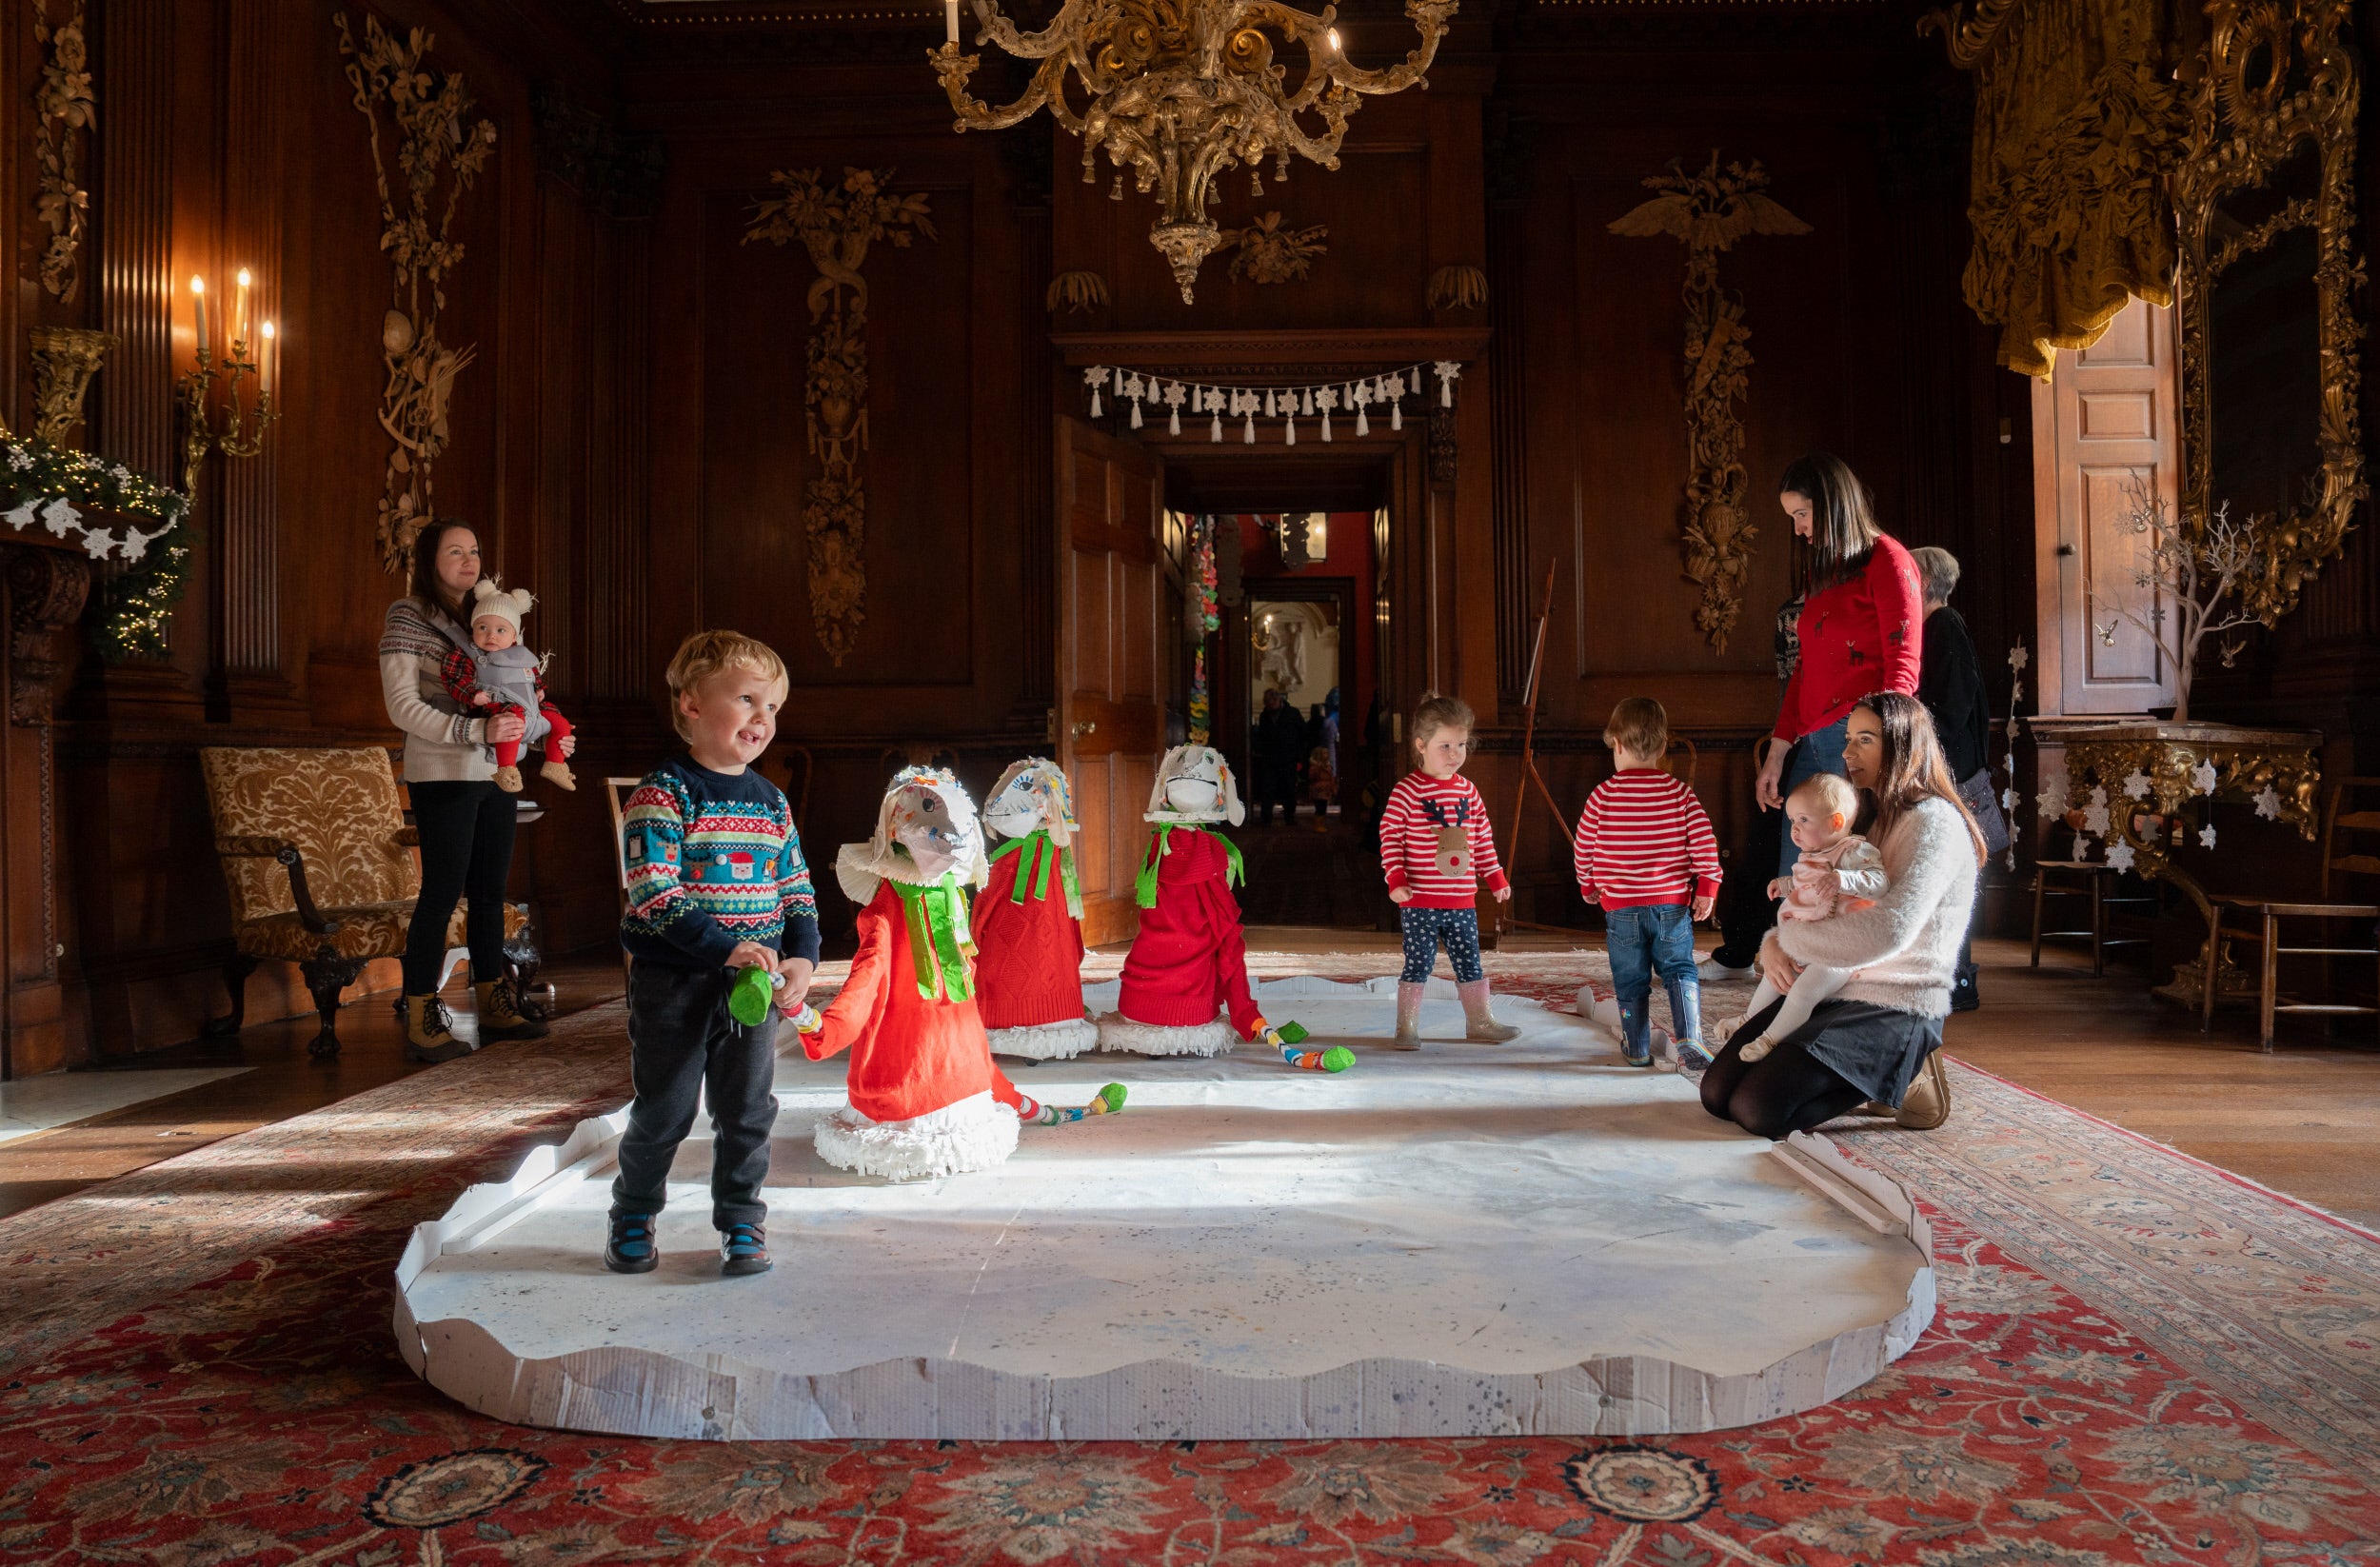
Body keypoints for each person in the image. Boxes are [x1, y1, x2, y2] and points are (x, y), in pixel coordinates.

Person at [606, 630, 819, 1278]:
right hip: (674, 983)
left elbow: (796, 890)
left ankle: (742, 1225)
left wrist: (802, 958)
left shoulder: (772, 802)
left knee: (748, 1113)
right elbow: (653, 893)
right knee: (665, 1111)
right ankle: (634, 1215)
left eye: (774, 707)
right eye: (748, 699)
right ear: (693, 705)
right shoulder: (663, 794)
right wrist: (727, 950)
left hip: (752, 989)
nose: (763, 718)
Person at [809, 767, 1125, 1182]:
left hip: (962, 1049)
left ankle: (1023, 1103)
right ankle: (1024, 1107)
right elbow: (868, 974)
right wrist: (829, 1025)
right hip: (910, 1068)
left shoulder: (950, 893)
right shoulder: (887, 911)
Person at [1701, 693, 1984, 1139]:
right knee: (1717, 1094)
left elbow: (1889, 930)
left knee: (1758, 1110)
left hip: (1898, 998)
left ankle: (1907, 1071)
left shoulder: (1934, 822)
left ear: (1901, 745)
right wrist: (1774, 943)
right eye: (1849, 738)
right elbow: (1818, 899)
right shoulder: (1865, 813)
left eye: (1864, 740)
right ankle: (1879, 1072)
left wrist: (1789, 943)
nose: (1847, 752)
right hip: (1839, 979)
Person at [378, 520, 565, 1063]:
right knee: (441, 892)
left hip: (494, 773)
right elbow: (402, 706)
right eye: (454, 551)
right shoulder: (408, 616)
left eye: (475, 550)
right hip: (441, 771)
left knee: (489, 891)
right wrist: (474, 730)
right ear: (428, 559)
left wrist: (540, 732)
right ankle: (421, 1010)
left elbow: (516, 695)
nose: (469, 560)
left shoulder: (488, 620)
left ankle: (494, 1000)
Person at [1101, 745, 1347, 1071]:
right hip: (1190, 1007)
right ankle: (1242, 1020)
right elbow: (1222, 923)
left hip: (1137, 1000)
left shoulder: (1158, 847)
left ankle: (1156, 1022)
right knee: (1202, 946)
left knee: (1163, 939)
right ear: (1218, 795)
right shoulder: (1210, 850)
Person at [1754, 455, 1925, 884]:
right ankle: (1793, 954)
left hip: (1855, 737)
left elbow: (1903, 667)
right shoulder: (1825, 573)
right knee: (1798, 878)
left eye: (1802, 514)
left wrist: (1877, 747)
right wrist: (1778, 752)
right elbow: (1804, 667)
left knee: (1844, 880)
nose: (1798, 528)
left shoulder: (1888, 558)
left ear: (1831, 504)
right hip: (1810, 740)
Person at [1572, 697, 1721, 1068]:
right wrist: (1707, 888)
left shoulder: (1602, 796)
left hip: (1622, 909)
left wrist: (1587, 884)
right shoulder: (1679, 794)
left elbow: (1584, 847)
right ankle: (1690, 1035)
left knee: (1629, 978)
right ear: (1663, 745)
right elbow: (1705, 842)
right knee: (1679, 969)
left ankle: (1636, 1046)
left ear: (1617, 745)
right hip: (1671, 906)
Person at [1378, 694, 1519, 1047]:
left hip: (1461, 901)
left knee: (1470, 962)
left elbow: (1482, 839)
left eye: (1461, 744)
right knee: (1418, 964)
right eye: (1446, 745)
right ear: (1421, 745)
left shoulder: (1468, 792)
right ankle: (1406, 1027)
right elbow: (1390, 838)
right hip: (1419, 902)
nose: (1455, 753)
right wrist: (1396, 879)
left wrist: (1496, 877)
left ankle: (1480, 1022)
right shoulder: (1406, 792)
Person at [1735, 773, 1888, 1063]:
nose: (1795, 829)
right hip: (1810, 939)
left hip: (1843, 949)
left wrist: (1844, 879)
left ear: (1836, 822)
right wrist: (1785, 885)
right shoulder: (1812, 854)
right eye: (1793, 821)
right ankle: (1747, 1020)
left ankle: (1769, 1040)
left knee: (1805, 990)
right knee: (1775, 975)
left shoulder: (1854, 851)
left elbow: (1880, 883)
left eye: (1803, 820)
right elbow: (1807, 883)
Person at [1912, 545, 1991, 1013]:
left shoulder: (1944, 628)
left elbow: (1953, 712)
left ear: (1921, 581)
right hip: (1946, 771)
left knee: (1949, 876)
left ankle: (1958, 983)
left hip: (1951, 775)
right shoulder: (1935, 628)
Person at [439, 579, 577, 795]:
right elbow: (453, 678)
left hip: (529, 709)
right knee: (512, 721)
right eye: (482, 627)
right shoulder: (469, 654)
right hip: (496, 708)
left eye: (501, 630)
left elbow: (532, 678)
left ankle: (555, 764)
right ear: (473, 628)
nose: (491, 635)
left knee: (561, 722)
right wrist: (473, 695)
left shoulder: (521, 656)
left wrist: (539, 691)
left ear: (514, 636)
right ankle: (506, 769)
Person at [1251, 687, 1305, 824]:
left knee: (1289, 789)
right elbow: (1261, 735)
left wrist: (1298, 753)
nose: (1267, 704)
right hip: (1270, 758)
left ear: (1277, 700)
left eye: (1268, 701)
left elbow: (1302, 734)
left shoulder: (1292, 713)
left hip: (1288, 757)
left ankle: (1289, 817)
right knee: (1267, 789)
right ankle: (1266, 818)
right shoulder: (1265, 716)